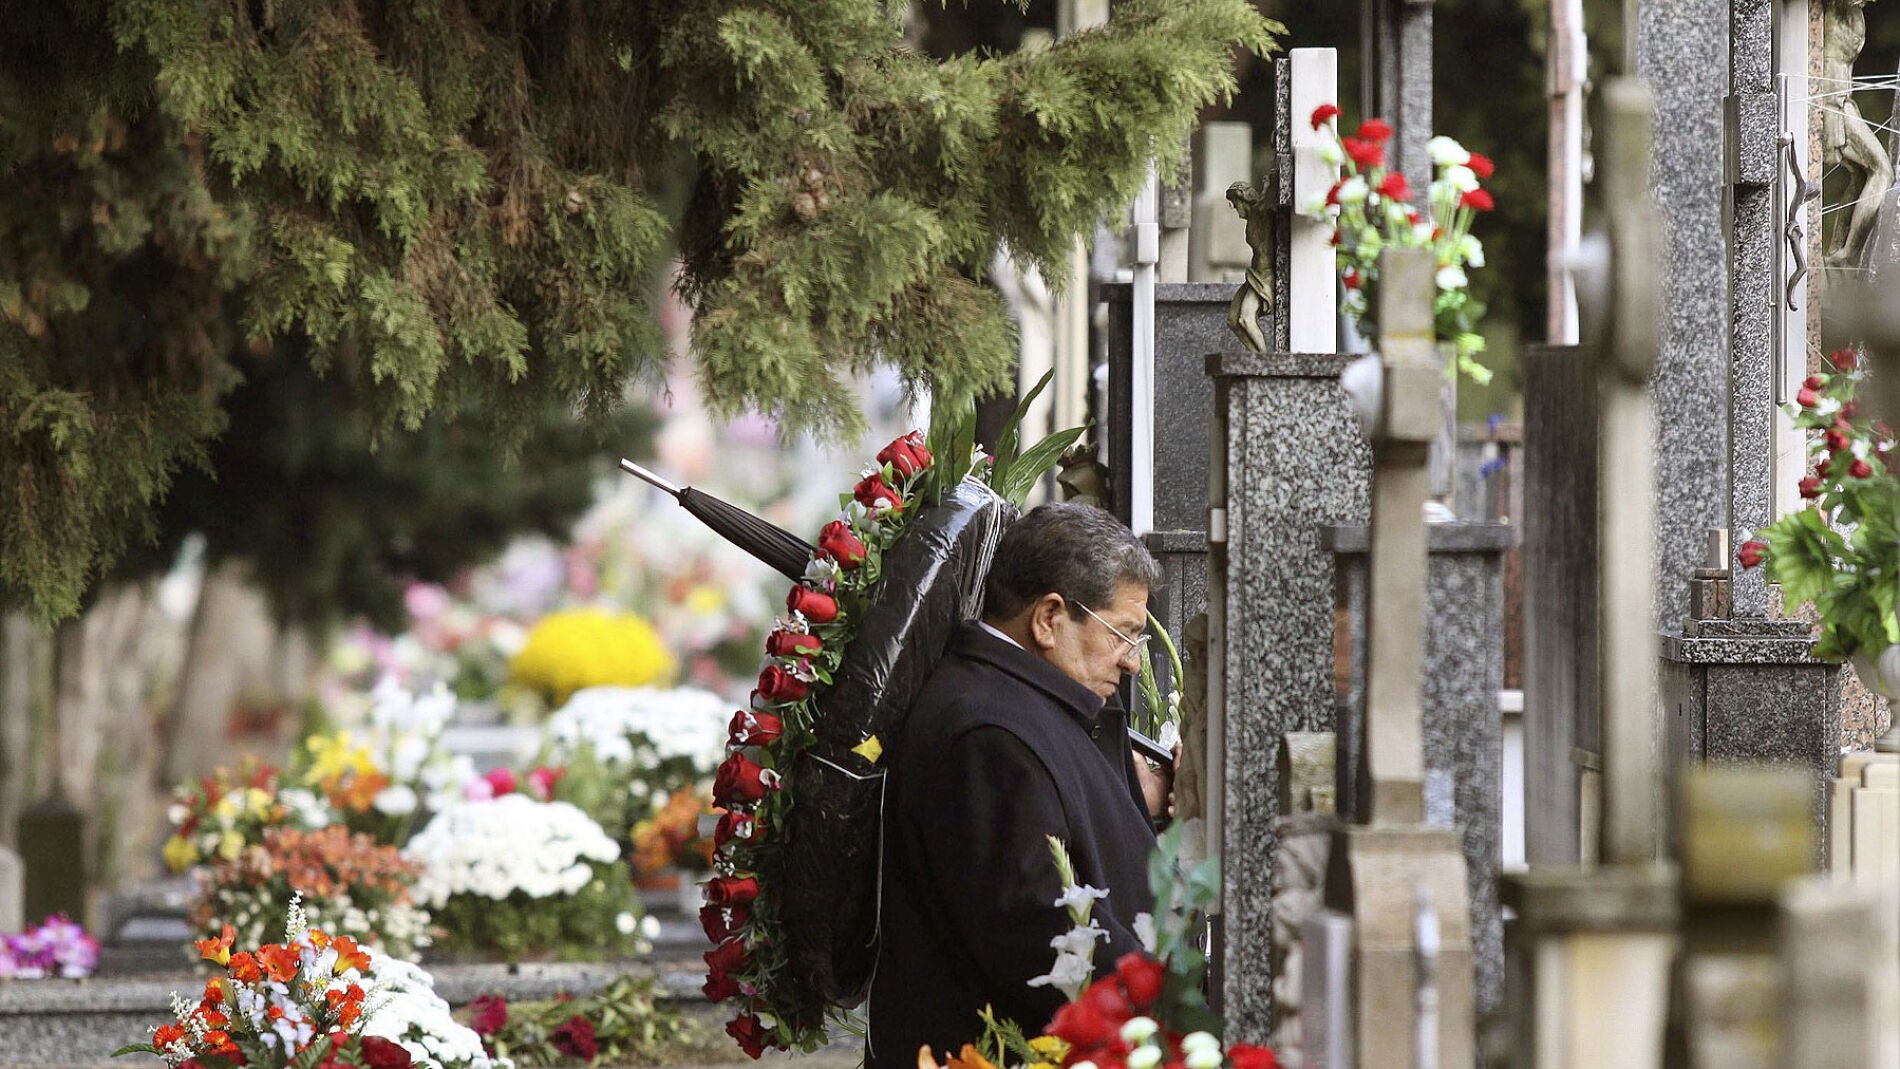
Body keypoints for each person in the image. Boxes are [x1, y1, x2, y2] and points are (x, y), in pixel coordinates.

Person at [869, 502, 1171, 1065]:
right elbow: (1043, 937)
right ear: (1048, 618)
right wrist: (1169, 1003)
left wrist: (1137, 804)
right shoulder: (989, 736)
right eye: (1123, 634)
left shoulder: (1019, 703)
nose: (1132, 662)